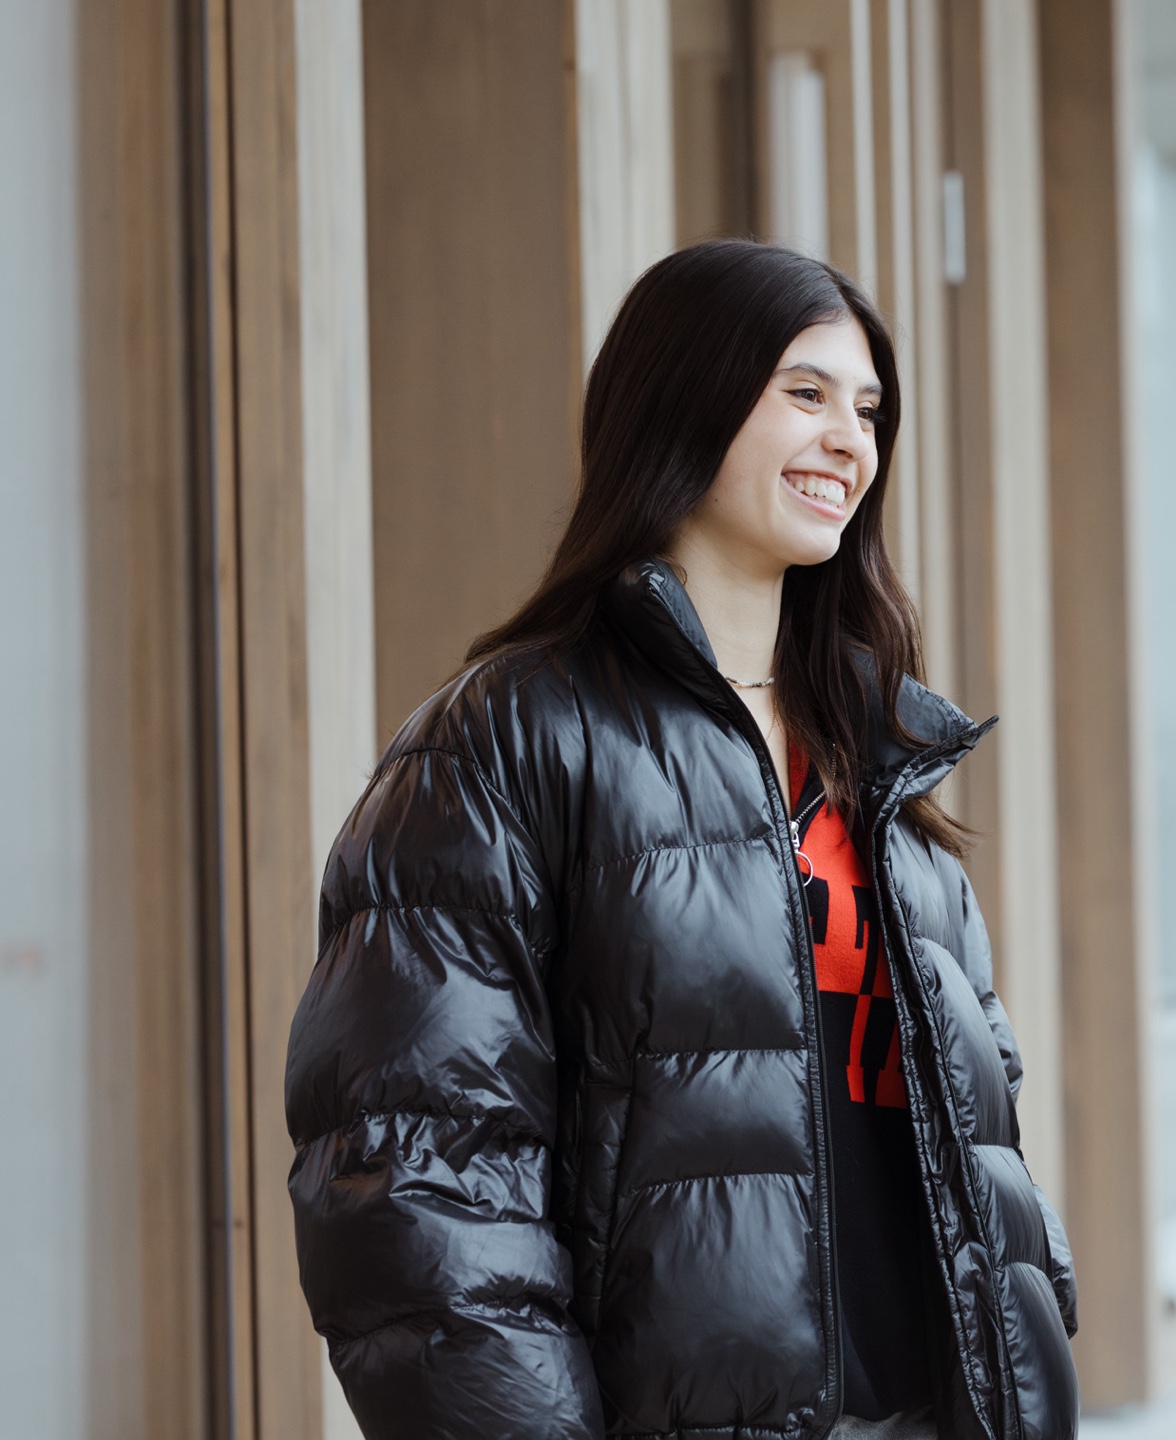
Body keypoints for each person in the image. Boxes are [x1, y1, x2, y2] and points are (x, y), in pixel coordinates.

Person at [285, 240, 1078, 1440]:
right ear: (682, 399)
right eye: (803, 395)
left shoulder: (883, 753)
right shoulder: (508, 738)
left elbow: (983, 1135)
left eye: (868, 411)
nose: (849, 441)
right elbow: (415, 1171)